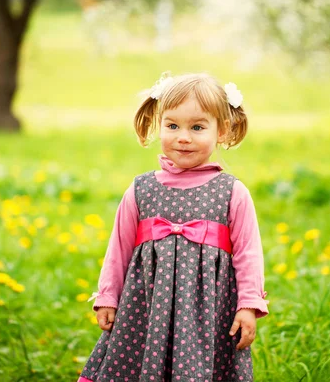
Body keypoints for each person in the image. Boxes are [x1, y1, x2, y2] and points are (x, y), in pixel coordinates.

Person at [78, 73, 269, 382]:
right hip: (146, 308)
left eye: (197, 127)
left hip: (208, 313)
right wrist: (108, 296)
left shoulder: (232, 192)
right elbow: (119, 247)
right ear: (158, 126)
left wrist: (248, 305)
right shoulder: (142, 189)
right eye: (172, 126)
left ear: (221, 131)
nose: (183, 136)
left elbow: (248, 254)